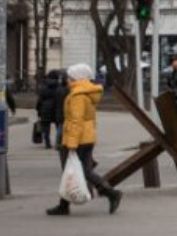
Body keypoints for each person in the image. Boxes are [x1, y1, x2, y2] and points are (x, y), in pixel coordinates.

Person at [47, 63, 123, 216]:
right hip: (86, 138)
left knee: (79, 170)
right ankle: (64, 204)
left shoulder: (77, 96)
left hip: (78, 140)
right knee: (74, 170)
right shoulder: (84, 92)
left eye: (69, 77)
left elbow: (76, 120)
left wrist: (72, 143)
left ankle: (111, 193)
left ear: (76, 78)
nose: (67, 80)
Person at [35, 69, 66, 149]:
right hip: (56, 108)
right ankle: (59, 141)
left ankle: (47, 143)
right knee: (58, 125)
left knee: (46, 127)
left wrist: (38, 110)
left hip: (45, 109)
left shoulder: (43, 87)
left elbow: (39, 100)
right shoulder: (59, 87)